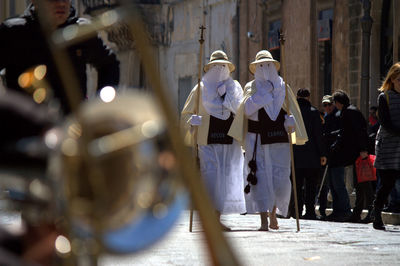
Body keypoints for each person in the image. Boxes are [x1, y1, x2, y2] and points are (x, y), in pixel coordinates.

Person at [229, 50, 308, 230]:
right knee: (260, 180)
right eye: (261, 66)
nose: (265, 69)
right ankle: (264, 219)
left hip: (278, 140)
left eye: (268, 65)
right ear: (256, 68)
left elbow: (292, 112)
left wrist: (291, 123)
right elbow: (247, 110)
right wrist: (264, 94)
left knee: (278, 179)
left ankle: (274, 214)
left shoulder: (284, 87)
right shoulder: (252, 87)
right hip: (256, 140)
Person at [0, 0, 120, 114]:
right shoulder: (14, 32)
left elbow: (109, 64)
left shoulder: (82, 31)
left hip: (72, 127)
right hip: (27, 128)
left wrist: (101, 103)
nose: (61, 4)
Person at [181, 50, 246, 230]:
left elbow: (241, 110)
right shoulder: (200, 89)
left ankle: (216, 218)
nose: (219, 70)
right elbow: (186, 113)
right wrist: (191, 121)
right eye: (215, 67)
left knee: (224, 179)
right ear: (209, 68)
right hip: (207, 139)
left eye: (223, 67)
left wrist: (227, 98)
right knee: (210, 177)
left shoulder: (234, 88)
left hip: (229, 140)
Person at [330, 90, 370, 223]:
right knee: (360, 183)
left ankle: (366, 212)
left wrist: (363, 149)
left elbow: (359, 131)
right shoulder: (350, 110)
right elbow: (346, 131)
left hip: (358, 153)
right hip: (356, 153)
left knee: (363, 183)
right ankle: (357, 213)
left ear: (338, 102)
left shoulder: (349, 112)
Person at [372, 62, 400, 230]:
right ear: (392, 79)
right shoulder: (385, 97)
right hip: (388, 147)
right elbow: (385, 122)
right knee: (387, 184)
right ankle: (377, 213)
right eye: (399, 79)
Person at [293, 88, 326, 220]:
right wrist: (322, 154)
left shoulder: (293, 112)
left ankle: (297, 211)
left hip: (295, 154)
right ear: (308, 97)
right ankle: (310, 212)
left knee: (297, 185)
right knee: (310, 185)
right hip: (311, 155)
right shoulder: (313, 113)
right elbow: (318, 135)